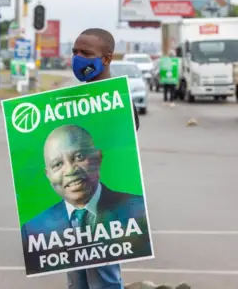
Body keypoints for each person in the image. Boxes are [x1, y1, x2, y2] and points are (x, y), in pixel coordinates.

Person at [20, 125, 151, 277]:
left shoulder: (137, 211)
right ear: (47, 174)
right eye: (57, 164)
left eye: (80, 157)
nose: (70, 171)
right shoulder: (33, 230)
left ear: (98, 157)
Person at [68, 28, 140, 288]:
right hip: (75, 208)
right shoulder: (71, 101)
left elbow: (125, 141)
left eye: (85, 53)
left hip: (104, 209)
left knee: (103, 277)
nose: (77, 58)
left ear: (107, 59)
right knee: (77, 279)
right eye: (74, 52)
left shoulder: (117, 99)